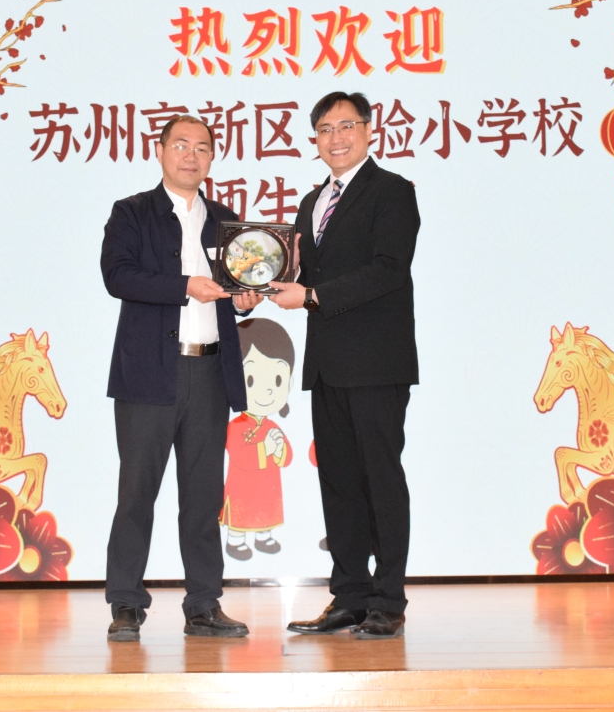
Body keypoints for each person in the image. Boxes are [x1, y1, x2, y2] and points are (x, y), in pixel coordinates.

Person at [100, 115, 263, 642]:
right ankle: (126, 603)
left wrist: (245, 299)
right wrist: (184, 285)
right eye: (181, 145)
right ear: (161, 150)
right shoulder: (132, 212)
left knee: (203, 497)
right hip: (149, 373)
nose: (191, 156)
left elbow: (238, 287)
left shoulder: (227, 221)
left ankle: (204, 604)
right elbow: (117, 276)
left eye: (202, 148)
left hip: (210, 372)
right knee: (136, 493)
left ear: (212, 157)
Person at [268, 92, 420, 640]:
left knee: (381, 480)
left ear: (369, 130)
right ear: (315, 140)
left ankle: (389, 600)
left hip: (377, 363)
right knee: (339, 484)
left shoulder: (393, 191)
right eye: (325, 130)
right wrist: (256, 284)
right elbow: (296, 271)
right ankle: (350, 596)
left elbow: (388, 270)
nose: (336, 138)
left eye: (346, 126)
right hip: (327, 366)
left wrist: (311, 296)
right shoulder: (312, 201)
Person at [221, 318, 296, 559]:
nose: (268, 390)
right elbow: (240, 456)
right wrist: (265, 448)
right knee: (241, 514)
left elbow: (287, 458)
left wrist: (280, 448)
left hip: (267, 484)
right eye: (252, 379)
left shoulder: (273, 426)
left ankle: (264, 537)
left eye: (277, 380)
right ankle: (235, 541)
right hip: (242, 486)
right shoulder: (235, 426)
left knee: (265, 509)